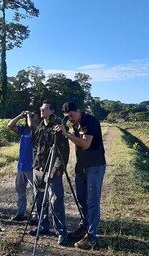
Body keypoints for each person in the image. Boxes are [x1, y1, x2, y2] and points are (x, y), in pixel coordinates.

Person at [54, 101, 107, 250]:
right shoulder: (74, 123)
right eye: (67, 117)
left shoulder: (90, 121)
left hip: (95, 166)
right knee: (82, 199)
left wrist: (67, 133)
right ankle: (84, 226)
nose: (69, 119)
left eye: (71, 115)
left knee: (92, 201)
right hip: (81, 166)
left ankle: (92, 237)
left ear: (79, 111)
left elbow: (86, 144)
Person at [31, 100, 69, 246]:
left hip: (52, 170)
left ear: (52, 111)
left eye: (45, 108)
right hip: (38, 168)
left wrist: (56, 168)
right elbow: (36, 146)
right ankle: (42, 226)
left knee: (56, 201)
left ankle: (61, 232)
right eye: (41, 108)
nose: (42, 110)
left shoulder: (57, 127)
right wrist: (35, 164)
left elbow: (63, 150)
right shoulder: (40, 126)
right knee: (39, 200)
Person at [7, 110, 38, 222]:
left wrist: (30, 116)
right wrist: (20, 115)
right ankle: (21, 212)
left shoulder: (37, 130)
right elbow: (10, 125)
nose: (29, 118)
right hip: (21, 165)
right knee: (20, 190)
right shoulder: (24, 130)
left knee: (36, 191)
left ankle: (36, 215)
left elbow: (32, 125)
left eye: (33, 116)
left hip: (32, 165)